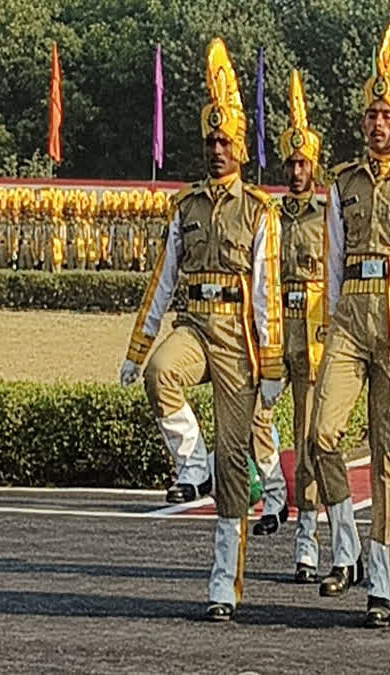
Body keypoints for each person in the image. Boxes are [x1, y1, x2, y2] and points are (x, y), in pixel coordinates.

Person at [118, 38, 285, 621]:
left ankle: (224, 583)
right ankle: (192, 466)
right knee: (163, 373)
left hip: (239, 340)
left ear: (241, 145)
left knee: (235, 466)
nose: (217, 149)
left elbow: (266, 293)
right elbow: (163, 280)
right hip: (193, 325)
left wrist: (271, 365)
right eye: (210, 140)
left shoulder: (261, 210)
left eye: (226, 141)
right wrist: (139, 349)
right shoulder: (185, 206)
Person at [309, 20, 390, 628]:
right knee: (321, 435)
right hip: (350, 319)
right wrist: (328, 323)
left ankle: (381, 582)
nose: (377, 123)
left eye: (387, 114)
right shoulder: (341, 182)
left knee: (389, 452)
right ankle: (346, 540)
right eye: (371, 114)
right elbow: (333, 261)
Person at [273, 69, 358, 582]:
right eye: (291, 162)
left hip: (313, 334)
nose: (297, 170)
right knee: (256, 424)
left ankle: (307, 543)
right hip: (274, 328)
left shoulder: (326, 215)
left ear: (316, 165)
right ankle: (268, 496)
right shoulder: (271, 215)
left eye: (304, 162)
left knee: (310, 444)